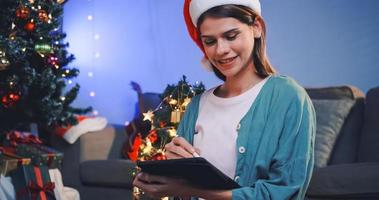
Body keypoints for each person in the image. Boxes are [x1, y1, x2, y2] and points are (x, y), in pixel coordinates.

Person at [133, 0, 316, 199]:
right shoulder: (196, 106)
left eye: (231, 36)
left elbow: (285, 192)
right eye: (210, 41)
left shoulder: (288, 97)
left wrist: (189, 189)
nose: (221, 50)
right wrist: (174, 171)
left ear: (256, 27)